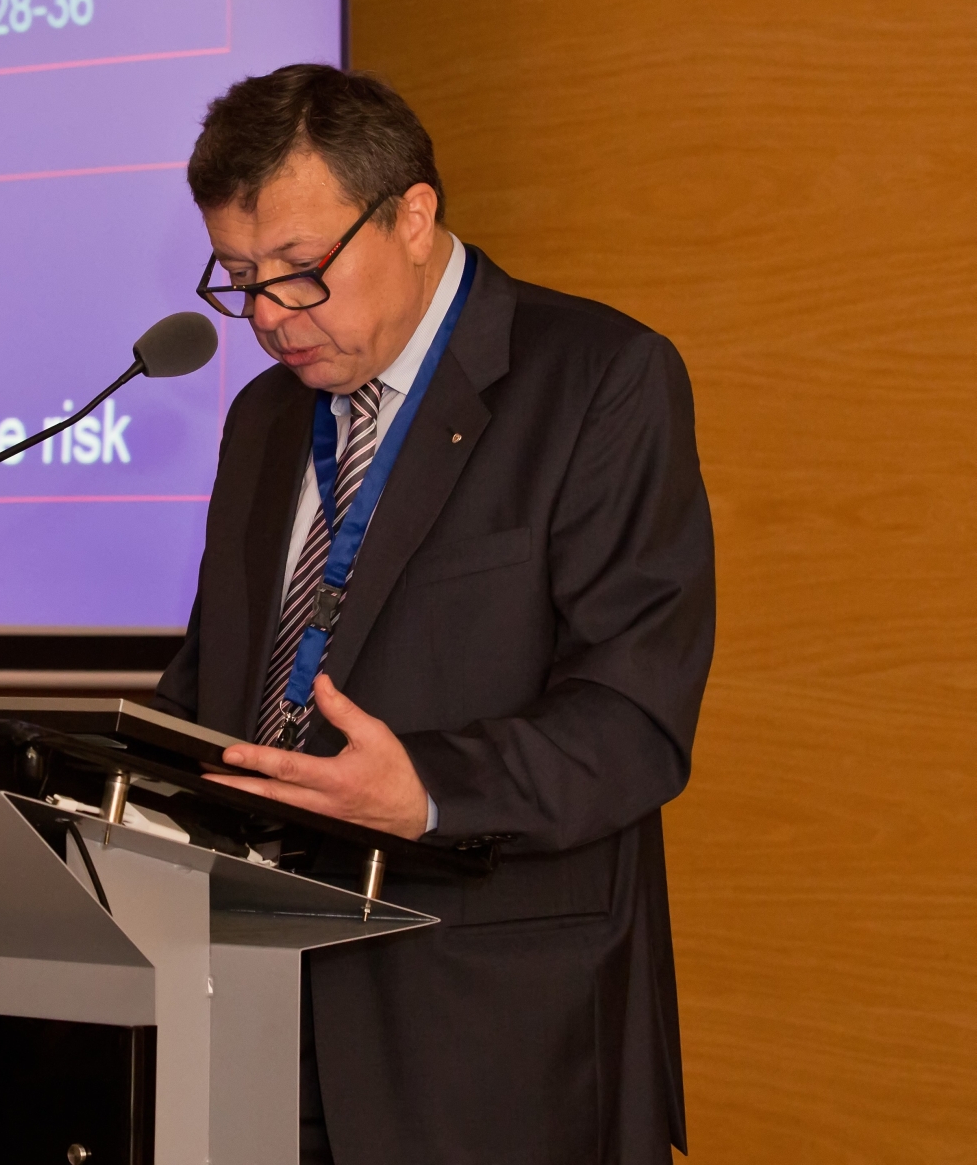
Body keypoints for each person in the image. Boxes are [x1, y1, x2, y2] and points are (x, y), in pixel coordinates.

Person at [154, 64, 714, 1163]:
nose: (268, 316)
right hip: (255, 1012)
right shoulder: (265, 418)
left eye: (299, 271)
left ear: (413, 216)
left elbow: (635, 717)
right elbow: (219, 681)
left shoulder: (598, 380)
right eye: (241, 278)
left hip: (486, 1040)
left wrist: (426, 791)